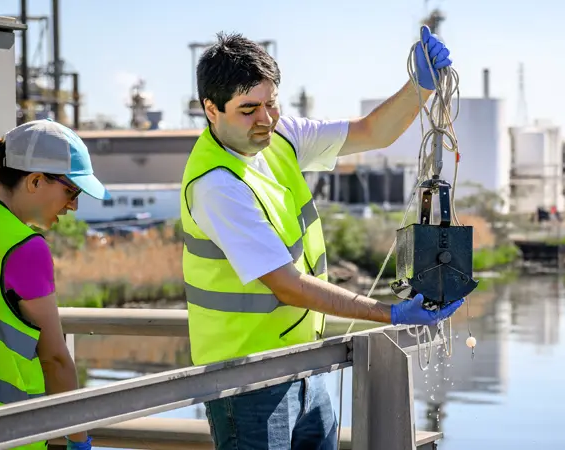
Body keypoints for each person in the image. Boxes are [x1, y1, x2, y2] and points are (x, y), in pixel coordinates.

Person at [180, 26, 464, 449]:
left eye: (271, 104)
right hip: (245, 383)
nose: (265, 120)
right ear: (211, 109)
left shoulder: (283, 138)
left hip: (306, 366)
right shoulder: (216, 185)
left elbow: (371, 132)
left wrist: (419, 86)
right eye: (248, 109)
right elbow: (288, 286)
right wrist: (390, 314)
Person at [0, 119, 108, 450]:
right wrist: (79, 441)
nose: (74, 206)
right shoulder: (25, 247)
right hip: (5, 435)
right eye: (71, 191)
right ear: (35, 181)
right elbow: (55, 359)